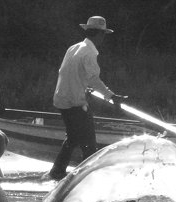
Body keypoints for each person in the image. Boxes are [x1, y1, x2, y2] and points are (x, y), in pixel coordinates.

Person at [46, 15, 126, 181]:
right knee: (89, 142)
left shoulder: (74, 48)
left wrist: (85, 88)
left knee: (73, 137)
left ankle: (57, 172)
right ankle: (88, 177)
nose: (104, 38)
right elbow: (93, 79)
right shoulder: (89, 52)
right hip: (75, 102)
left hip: (62, 99)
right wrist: (111, 96)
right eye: (103, 34)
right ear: (99, 34)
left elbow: (71, 74)